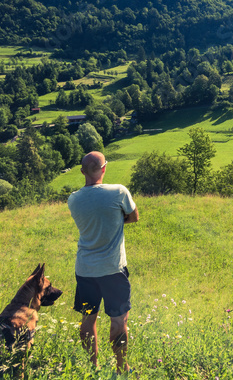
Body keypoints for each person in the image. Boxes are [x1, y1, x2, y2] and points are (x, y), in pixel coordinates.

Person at [67, 151, 139, 375]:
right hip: (113, 270)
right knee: (118, 319)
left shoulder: (74, 199)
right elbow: (134, 216)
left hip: (85, 270)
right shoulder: (118, 191)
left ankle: (93, 367)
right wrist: (118, 219)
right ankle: (121, 367)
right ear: (104, 168)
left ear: (82, 172)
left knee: (88, 319)